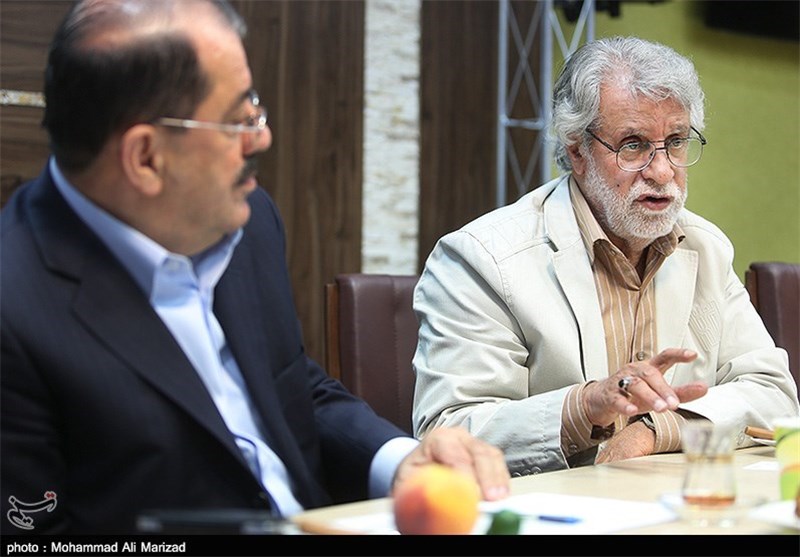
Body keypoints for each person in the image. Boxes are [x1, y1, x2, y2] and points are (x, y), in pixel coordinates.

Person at [0, 0, 510, 535]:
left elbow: (289, 388)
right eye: (237, 120)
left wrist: (398, 459)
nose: (262, 137)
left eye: (255, 108)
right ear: (146, 158)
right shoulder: (16, 311)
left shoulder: (247, 222)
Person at [411, 36, 800, 476]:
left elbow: (774, 394)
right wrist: (584, 407)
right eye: (633, 144)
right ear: (576, 150)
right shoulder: (484, 258)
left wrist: (657, 430)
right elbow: (447, 432)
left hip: (675, 501)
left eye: (676, 141)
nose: (662, 171)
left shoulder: (705, 246)